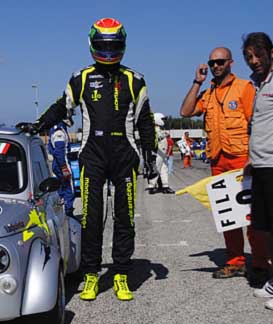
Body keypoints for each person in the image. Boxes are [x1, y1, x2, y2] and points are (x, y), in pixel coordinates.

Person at [18, 18, 157, 301]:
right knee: (92, 219)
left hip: (124, 155)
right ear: (93, 44)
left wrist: (150, 156)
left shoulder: (136, 79)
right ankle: (91, 274)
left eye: (113, 46)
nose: (108, 51)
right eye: (104, 45)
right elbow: (62, 106)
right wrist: (39, 124)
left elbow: (146, 121)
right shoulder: (79, 78)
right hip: (92, 154)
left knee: (125, 218)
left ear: (123, 45)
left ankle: (120, 274)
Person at [180, 47, 269, 284]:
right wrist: (197, 83)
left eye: (220, 62)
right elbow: (186, 111)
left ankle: (260, 263)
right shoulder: (208, 94)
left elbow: (257, 122)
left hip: (243, 159)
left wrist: (254, 155)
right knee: (227, 214)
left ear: (230, 63)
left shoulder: (244, 88)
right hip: (218, 160)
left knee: (252, 215)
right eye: (212, 63)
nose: (216, 66)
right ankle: (235, 261)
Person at [242, 32, 273, 310]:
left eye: (258, 55)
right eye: (249, 57)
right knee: (266, 229)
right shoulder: (259, 83)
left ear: (272, 53)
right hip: (262, 166)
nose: (254, 61)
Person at [48, 118, 75, 218]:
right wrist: (64, 168)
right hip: (62, 163)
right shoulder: (59, 132)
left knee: (60, 189)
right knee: (69, 190)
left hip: (57, 163)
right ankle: (68, 214)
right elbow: (59, 152)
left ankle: (61, 214)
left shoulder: (55, 129)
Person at [148, 113, 174, 194]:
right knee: (157, 169)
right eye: (162, 119)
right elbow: (157, 137)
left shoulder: (159, 129)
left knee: (164, 170)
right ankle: (151, 186)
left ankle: (165, 186)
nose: (163, 121)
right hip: (157, 154)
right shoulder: (154, 129)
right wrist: (164, 134)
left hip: (163, 154)